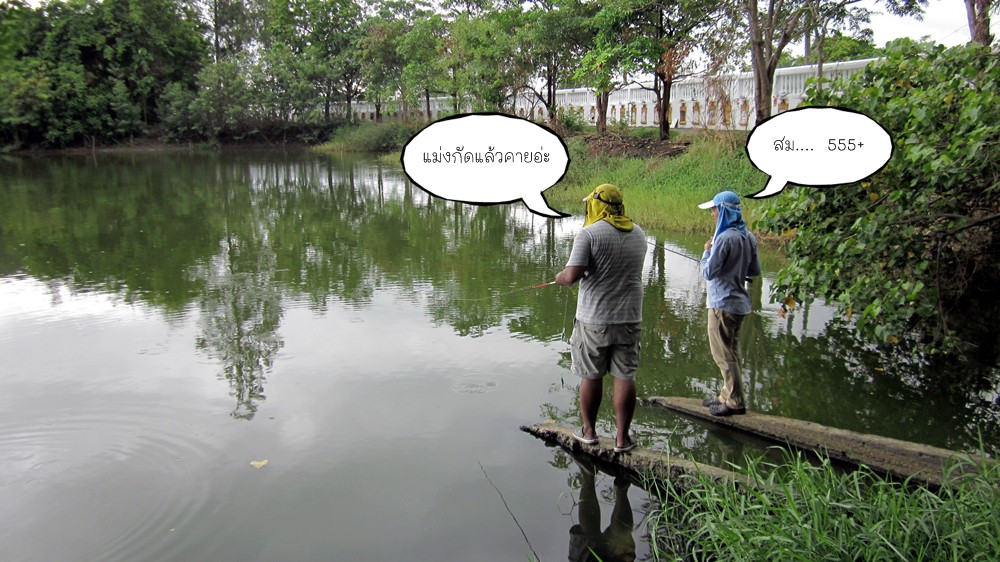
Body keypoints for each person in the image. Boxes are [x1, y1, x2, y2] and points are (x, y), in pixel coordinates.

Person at [555, 183, 647, 452]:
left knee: (591, 375)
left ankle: (589, 431)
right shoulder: (639, 233)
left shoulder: (588, 234)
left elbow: (571, 276)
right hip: (630, 318)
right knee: (625, 375)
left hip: (594, 319)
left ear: (595, 206)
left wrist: (560, 277)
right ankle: (622, 439)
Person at [698, 190, 761, 416]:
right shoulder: (749, 237)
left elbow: (709, 272)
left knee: (723, 354)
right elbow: (754, 270)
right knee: (732, 351)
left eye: (714, 210)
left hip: (721, 306)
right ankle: (726, 394)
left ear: (723, 210)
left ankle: (734, 401)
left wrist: (707, 252)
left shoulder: (723, 239)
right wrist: (737, 269)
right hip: (739, 304)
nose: (712, 214)